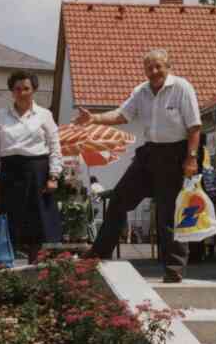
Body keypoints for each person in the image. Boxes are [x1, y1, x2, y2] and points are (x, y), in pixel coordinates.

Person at [77, 48, 201, 283]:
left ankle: (173, 268)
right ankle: (98, 254)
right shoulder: (141, 91)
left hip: (176, 154)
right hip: (149, 153)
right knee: (118, 199)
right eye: (149, 67)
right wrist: (94, 118)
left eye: (158, 66)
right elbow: (122, 115)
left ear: (168, 67)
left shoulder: (182, 87)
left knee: (167, 212)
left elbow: (194, 126)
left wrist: (191, 158)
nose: (154, 71)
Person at [0, 70, 63, 265]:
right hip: (9, 174)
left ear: (34, 90)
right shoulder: (1, 115)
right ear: (12, 91)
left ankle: (35, 269)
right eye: (17, 89)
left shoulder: (45, 115)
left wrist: (54, 176)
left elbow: (55, 147)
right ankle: (6, 270)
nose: (21, 93)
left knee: (37, 226)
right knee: (8, 225)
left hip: (37, 173)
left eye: (26, 88)